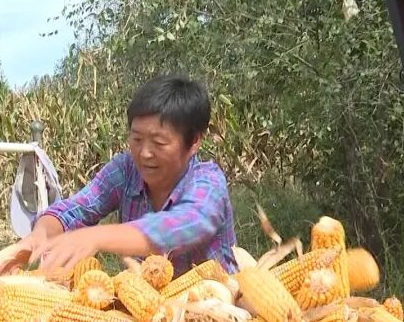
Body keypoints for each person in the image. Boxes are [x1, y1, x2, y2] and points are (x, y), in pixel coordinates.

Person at [16, 74, 238, 277]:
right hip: (150, 310)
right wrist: (41, 233)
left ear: (194, 142)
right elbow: (76, 208)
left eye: (159, 143)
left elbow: (185, 224)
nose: (144, 153)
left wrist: (96, 237)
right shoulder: (125, 170)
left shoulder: (208, 181)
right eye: (137, 139)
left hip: (215, 309)